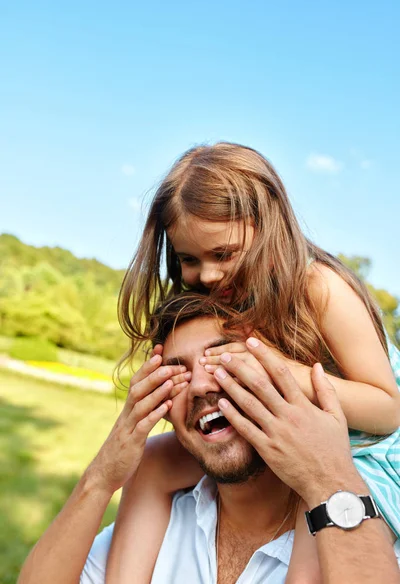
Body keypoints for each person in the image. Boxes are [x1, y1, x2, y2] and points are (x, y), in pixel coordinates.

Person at [108, 142, 400, 582]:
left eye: (222, 254)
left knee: (311, 549)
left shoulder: (318, 286)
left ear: (267, 228)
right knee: (155, 462)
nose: (206, 275)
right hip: (284, 433)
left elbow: (388, 408)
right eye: (189, 259)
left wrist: (289, 373)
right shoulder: (226, 292)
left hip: (365, 450)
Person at [17, 294, 400, 584]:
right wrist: (100, 478)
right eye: (176, 376)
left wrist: (326, 479)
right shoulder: (157, 522)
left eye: (222, 360)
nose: (200, 385)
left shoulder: (366, 549)